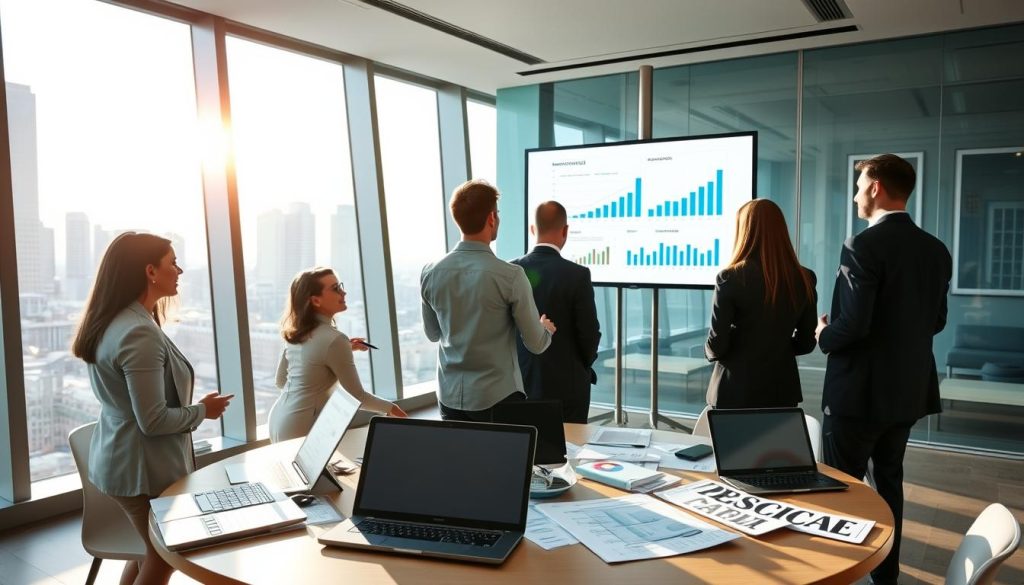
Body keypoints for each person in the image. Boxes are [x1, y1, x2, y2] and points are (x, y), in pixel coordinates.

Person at [816, 154, 952, 585]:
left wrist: (823, 335)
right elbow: (937, 321)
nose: (856, 195)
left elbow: (853, 325)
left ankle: (834, 573)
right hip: (906, 393)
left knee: (840, 490)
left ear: (875, 187)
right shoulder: (935, 249)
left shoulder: (862, 246)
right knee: (888, 484)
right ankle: (885, 578)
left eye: (860, 186)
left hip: (857, 395)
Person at [71, 232, 233, 585]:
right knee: (164, 557)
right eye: (172, 262)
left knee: (152, 551)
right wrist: (203, 411)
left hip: (126, 460)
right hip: (140, 469)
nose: (180, 270)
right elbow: (154, 420)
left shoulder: (120, 320)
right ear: (150, 271)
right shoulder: (137, 332)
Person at [420, 179, 557, 421]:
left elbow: (433, 334)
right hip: (497, 398)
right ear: (492, 218)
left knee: (459, 459)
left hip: (449, 397)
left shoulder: (430, 272)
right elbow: (536, 344)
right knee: (502, 460)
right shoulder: (510, 276)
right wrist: (545, 329)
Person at [269, 267, 406, 443]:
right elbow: (358, 396)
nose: (344, 292)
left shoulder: (297, 331)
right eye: (336, 289)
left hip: (279, 419)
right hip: (300, 427)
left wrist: (346, 349)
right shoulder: (334, 340)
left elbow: (281, 381)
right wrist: (392, 408)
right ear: (316, 300)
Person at [704, 199, 818, 408]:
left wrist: (709, 351)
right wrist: (776, 346)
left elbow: (717, 345)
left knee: (733, 443)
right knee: (778, 443)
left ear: (744, 231)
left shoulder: (730, 278)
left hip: (735, 391)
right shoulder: (805, 278)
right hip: (781, 390)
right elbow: (806, 343)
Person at [511, 201, 601, 423]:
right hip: (567, 386)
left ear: (533, 229)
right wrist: (584, 366)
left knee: (527, 447)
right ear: (565, 231)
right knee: (570, 449)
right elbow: (588, 333)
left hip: (519, 383)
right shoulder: (577, 274)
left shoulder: (510, 270)